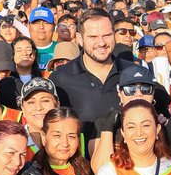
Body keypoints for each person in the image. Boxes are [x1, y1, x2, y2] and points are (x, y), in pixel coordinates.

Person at [50, 8, 133, 143]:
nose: (101, 43)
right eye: (93, 37)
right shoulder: (60, 78)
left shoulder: (133, 73)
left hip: (128, 161)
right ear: (79, 39)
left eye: (107, 35)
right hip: (82, 162)